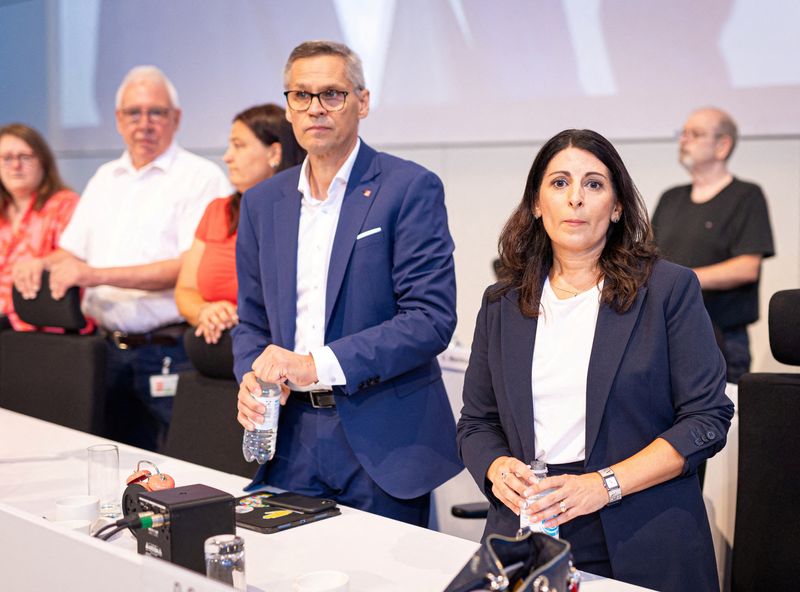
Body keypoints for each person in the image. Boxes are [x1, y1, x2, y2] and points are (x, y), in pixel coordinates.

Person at [457, 129, 734, 592]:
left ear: (618, 205)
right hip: (530, 526)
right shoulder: (501, 301)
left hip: (642, 524)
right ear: (536, 204)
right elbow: (476, 422)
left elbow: (707, 418)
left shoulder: (668, 289)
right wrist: (497, 467)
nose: (576, 199)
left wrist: (601, 485)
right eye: (560, 183)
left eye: (594, 184)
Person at [233, 40, 462, 526]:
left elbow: (430, 320)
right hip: (289, 438)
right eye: (301, 95)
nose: (316, 108)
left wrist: (313, 364)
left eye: (332, 94)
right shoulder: (262, 203)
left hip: (381, 439)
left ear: (362, 101)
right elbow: (250, 320)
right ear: (289, 107)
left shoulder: (408, 188)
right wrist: (251, 378)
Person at [13, 65, 231, 451]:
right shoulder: (104, 178)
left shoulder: (201, 177)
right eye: (133, 112)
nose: (144, 123)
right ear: (118, 120)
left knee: (173, 470)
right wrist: (41, 262)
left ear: (176, 118)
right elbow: (70, 251)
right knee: (105, 466)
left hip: (167, 351)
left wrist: (94, 275)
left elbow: (187, 269)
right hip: (103, 350)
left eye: (156, 112)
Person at [652, 107, 774, 383]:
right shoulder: (670, 198)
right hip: (667, 334)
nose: (684, 140)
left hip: (723, 338)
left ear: (722, 145)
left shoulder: (746, 196)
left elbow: (747, 267)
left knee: (721, 421)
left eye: (694, 134)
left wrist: (680, 280)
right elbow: (648, 260)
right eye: (682, 133)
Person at [175, 104, 305, 347]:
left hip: (274, 355)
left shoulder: (304, 213)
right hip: (212, 356)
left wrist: (238, 316)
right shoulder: (218, 211)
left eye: (239, 145)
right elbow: (185, 290)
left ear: (274, 153)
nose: (227, 156)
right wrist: (206, 311)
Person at [0, 124, 79, 331]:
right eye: (7, 158)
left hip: (44, 333)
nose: (15, 166)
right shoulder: (3, 212)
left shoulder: (64, 204)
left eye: (25, 157)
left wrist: (42, 263)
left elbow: (76, 253)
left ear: (43, 162)